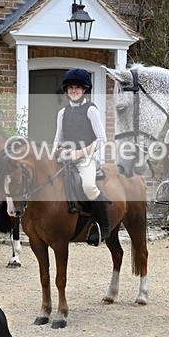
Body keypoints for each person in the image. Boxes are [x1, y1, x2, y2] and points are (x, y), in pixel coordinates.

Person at [53, 68, 111, 246]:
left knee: (88, 185)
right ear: (66, 90)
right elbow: (59, 137)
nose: (74, 90)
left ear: (84, 89)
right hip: (65, 157)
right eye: (70, 87)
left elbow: (102, 139)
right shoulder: (62, 113)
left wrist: (80, 153)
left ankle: (104, 225)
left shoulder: (91, 110)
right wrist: (54, 149)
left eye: (78, 87)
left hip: (85, 159)